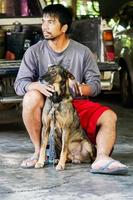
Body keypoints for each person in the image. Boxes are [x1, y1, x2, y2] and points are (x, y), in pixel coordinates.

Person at [14, 4, 128, 175]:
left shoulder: (82, 52)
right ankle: (39, 152)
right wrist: (35, 85)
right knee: (30, 97)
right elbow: (19, 84)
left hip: (74, 103)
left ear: (64, 27)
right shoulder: (34, 52)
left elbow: (95, 84)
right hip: (47, 103)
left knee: (109, 116)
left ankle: (101, 158)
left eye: (51, 22)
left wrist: (82, 88)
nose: (44, 26)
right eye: (43, 21)